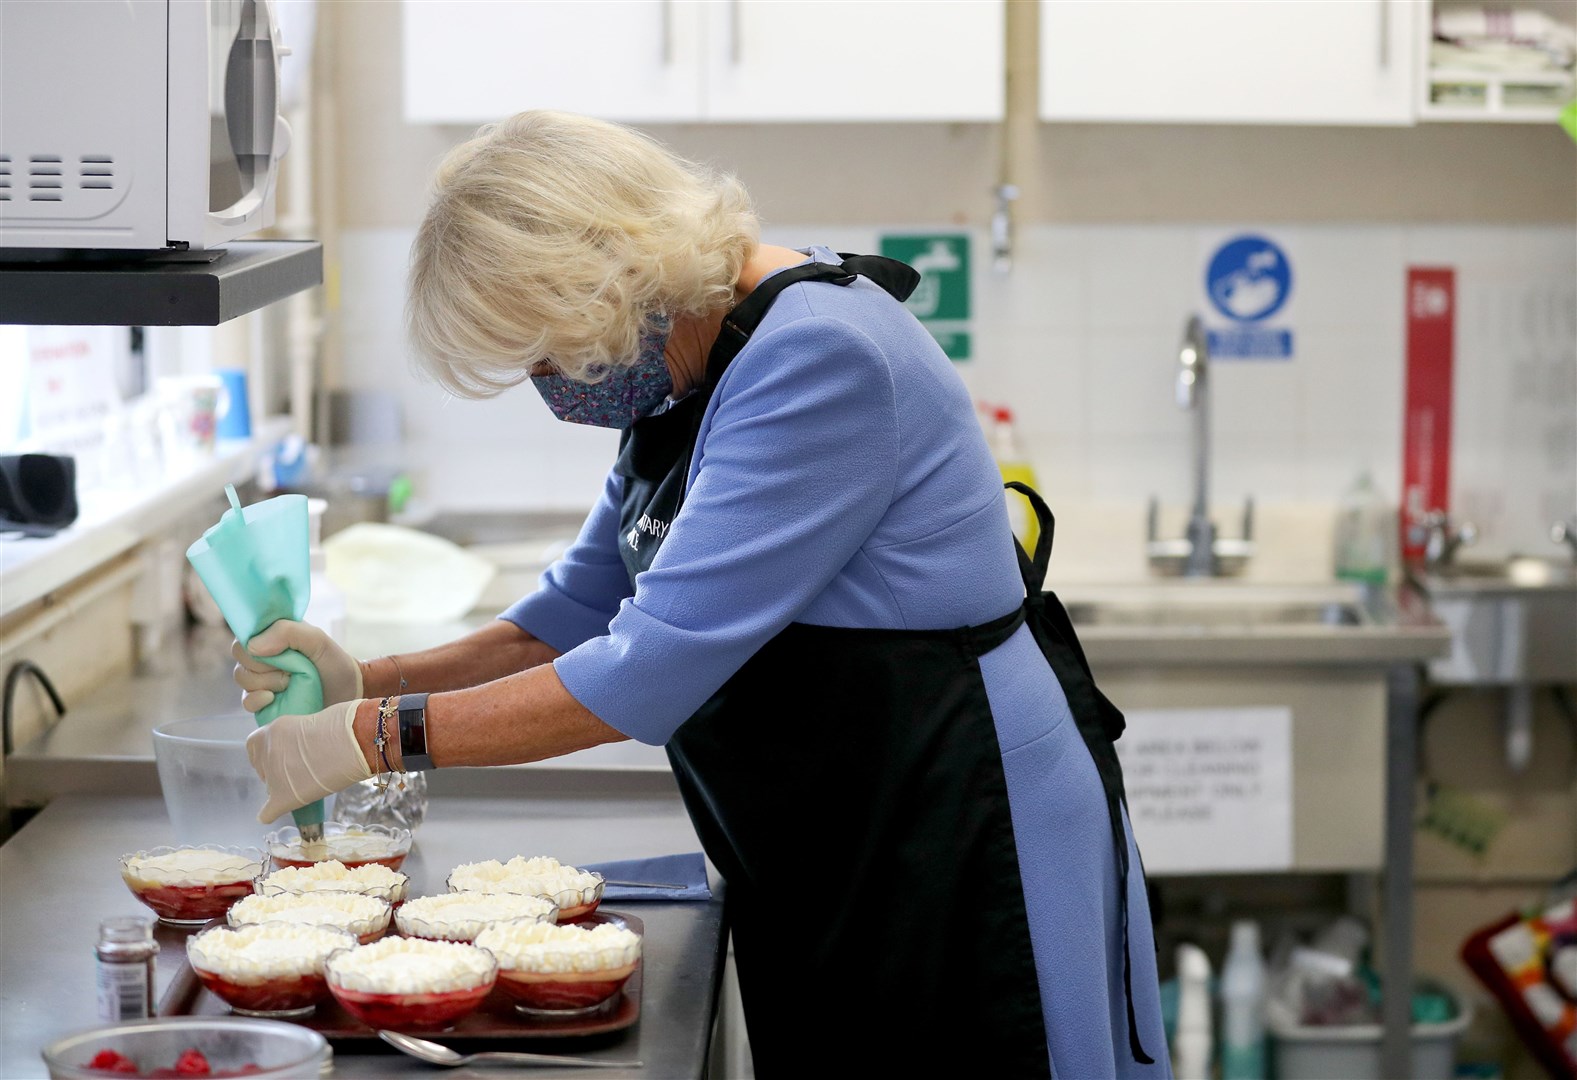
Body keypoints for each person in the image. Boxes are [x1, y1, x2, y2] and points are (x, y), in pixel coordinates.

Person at [235, 110, 1169, 1077]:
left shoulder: (820, 355)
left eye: (551, 356)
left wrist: (373, 739)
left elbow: (645, 670)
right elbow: (568, 619)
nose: (553, 388)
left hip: (955, 825)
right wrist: (364, 681)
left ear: (617, 282)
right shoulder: (684, 372)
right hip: (836, 827)